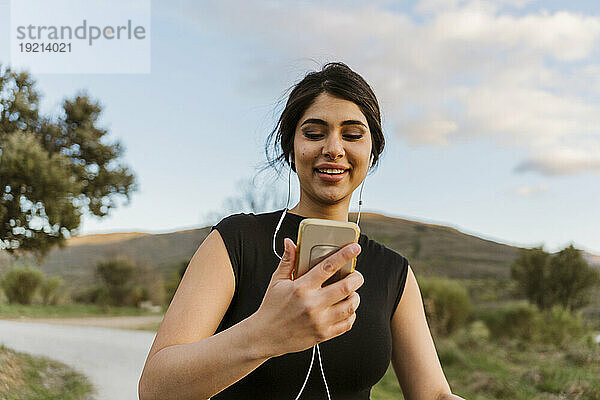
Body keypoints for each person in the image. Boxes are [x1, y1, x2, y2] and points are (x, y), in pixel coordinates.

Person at [138, 62, 465, 400]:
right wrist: (263, 334)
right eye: (314, 133)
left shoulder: (393, 271)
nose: (333, 149)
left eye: (352, 135)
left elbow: (435, 395)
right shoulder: (235, 241)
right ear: (291, 149)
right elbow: (155, 388)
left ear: (373, 152)